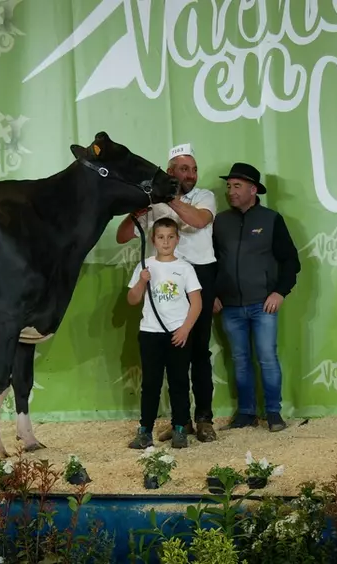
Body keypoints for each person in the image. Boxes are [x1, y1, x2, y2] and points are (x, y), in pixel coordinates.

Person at [116, 143, 218, 443]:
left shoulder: (205, 197)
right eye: (183, 169)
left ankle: (204, 419)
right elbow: (123, 236)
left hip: (199, 272)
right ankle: (180, 423)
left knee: (198, 349)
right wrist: (137, 209)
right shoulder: (154, 205)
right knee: (170, 357)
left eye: (194, 169)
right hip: (161, 276)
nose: (191, 174)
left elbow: (199, 221)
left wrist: (169, 199)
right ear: (170, 171)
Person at [211, 163, 301, 432]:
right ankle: (246, 413)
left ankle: (273, 413)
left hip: (263, 305)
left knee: (266, 358)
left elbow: (290, 261)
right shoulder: (220, 222)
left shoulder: (271, 219)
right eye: (229, 186)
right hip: (229, 306)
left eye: (237, 186)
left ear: (253, 189)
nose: (231, 191)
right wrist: (213, 293)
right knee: (240, 360)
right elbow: (211, 261)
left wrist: (280, 292)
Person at [126, 217, 203, 449]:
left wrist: (185, 329)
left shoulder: (185, 268)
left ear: (177, 240)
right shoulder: (145, 266)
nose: (166, 242)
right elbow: (132, 299)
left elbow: (196, 303)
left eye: (170, 237)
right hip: (150, 332)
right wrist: (141, 281)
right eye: (161, 237)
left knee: (179, 381)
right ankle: (145, 430)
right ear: (153, 240)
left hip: (177, 334)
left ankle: (180, 427)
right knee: (150, 383)